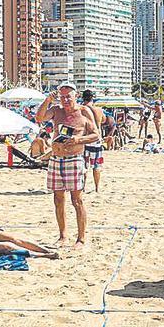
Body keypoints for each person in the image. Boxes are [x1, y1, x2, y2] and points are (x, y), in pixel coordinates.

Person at [34, 82, 99, 250]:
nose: (65, 100)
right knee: (58, 199)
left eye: (68, 96)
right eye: (62, 97)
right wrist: (48, 99)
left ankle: (81, 239)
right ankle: (63, 236)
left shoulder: (84, 112)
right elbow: (39, 118)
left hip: (74, 159)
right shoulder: (57, 110)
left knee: (77, 200)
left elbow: (95, 134)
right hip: (56, 159)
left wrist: (78, 140)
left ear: (75, 96)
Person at [79, 90, 107, 193]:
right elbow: (104, 120)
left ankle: (83, 187)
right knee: (97, 166)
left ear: (83, 98)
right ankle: (96, 188)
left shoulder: (81, 109)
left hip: (85, 139)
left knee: (84, 165)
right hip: (96, 140)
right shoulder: (99, 110)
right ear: (92, 98)